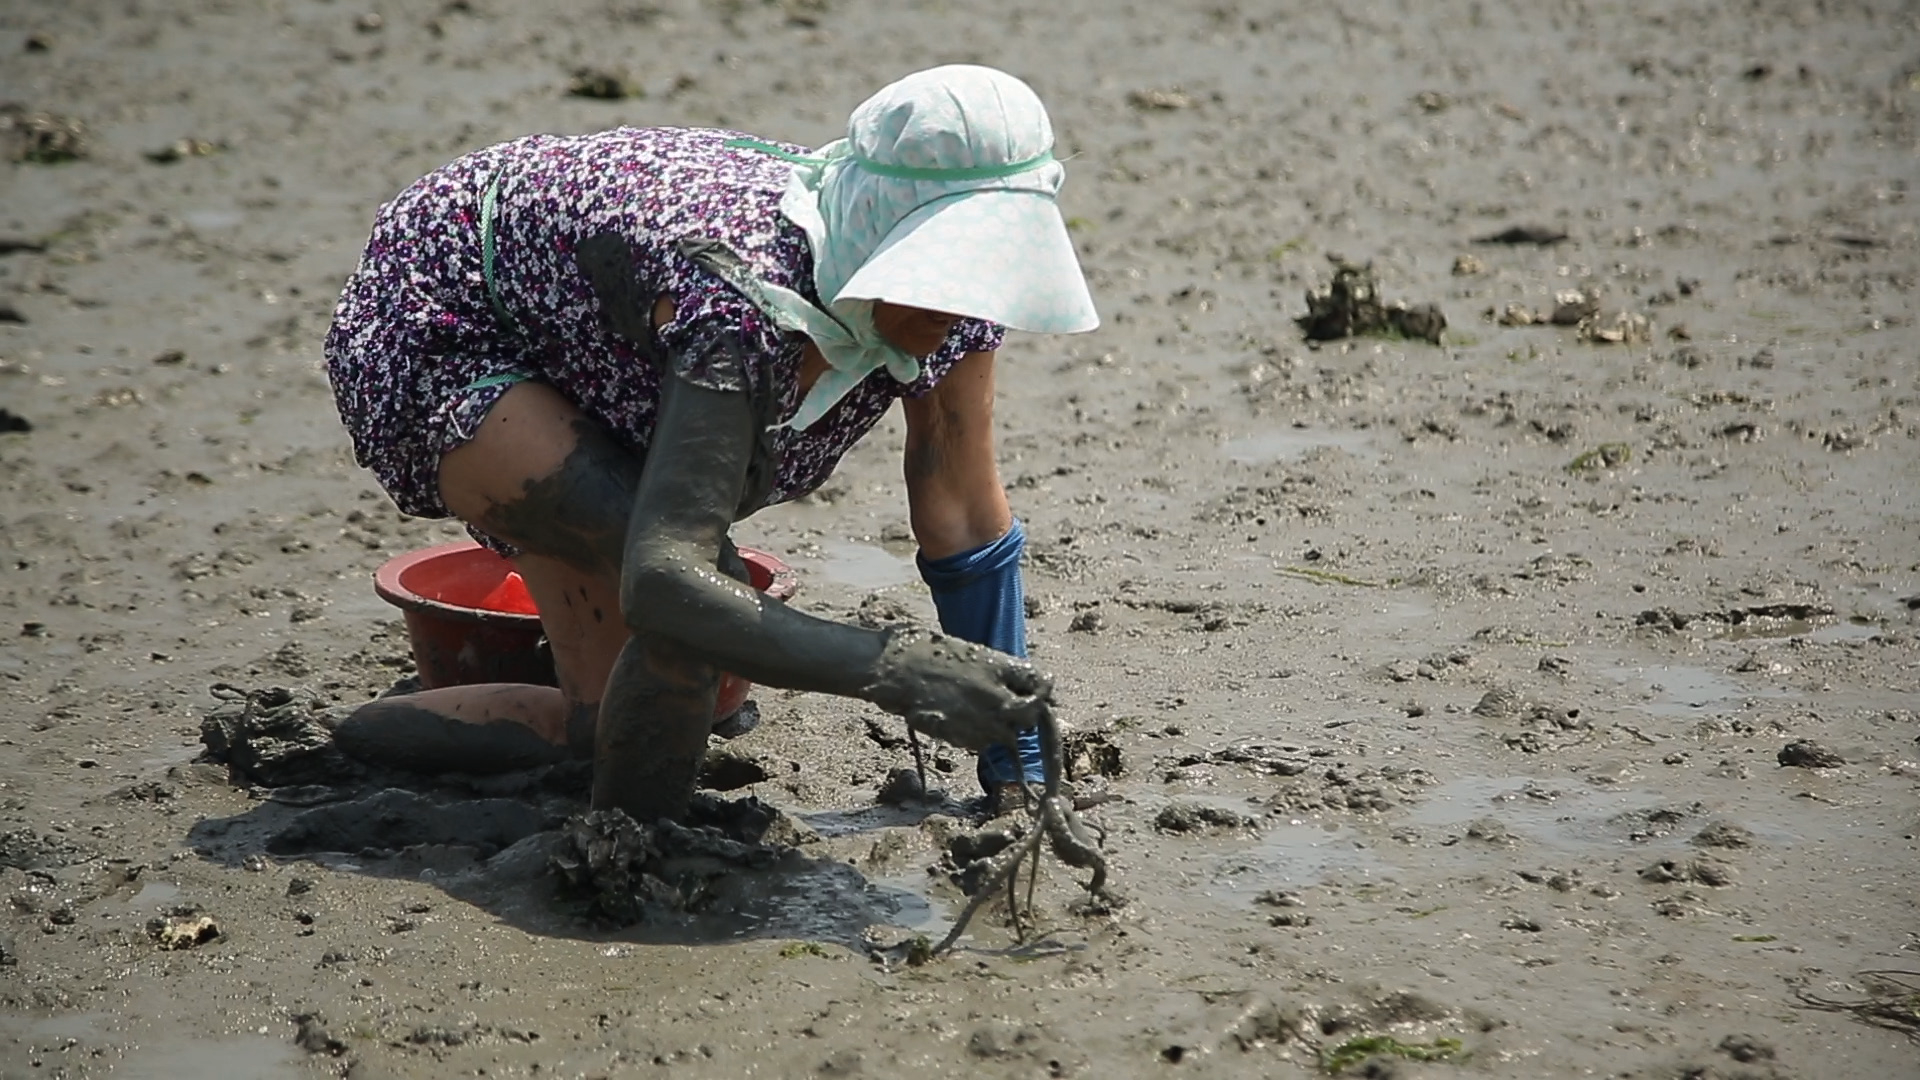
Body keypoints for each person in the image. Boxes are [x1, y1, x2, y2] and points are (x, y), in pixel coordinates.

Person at [321, 65, 1100, 823]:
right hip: (453, 310)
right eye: (939, 264)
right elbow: (668, 581)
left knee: (606, 733)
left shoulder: (958, 302)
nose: (956, 299)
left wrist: (1019, 764)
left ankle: (340, 741)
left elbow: (963, 509)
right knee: (697, 598)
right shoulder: (742, 300)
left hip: (594, 330)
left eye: (981, 264)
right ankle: (631, 864)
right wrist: (897, 669)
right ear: (877, 225)